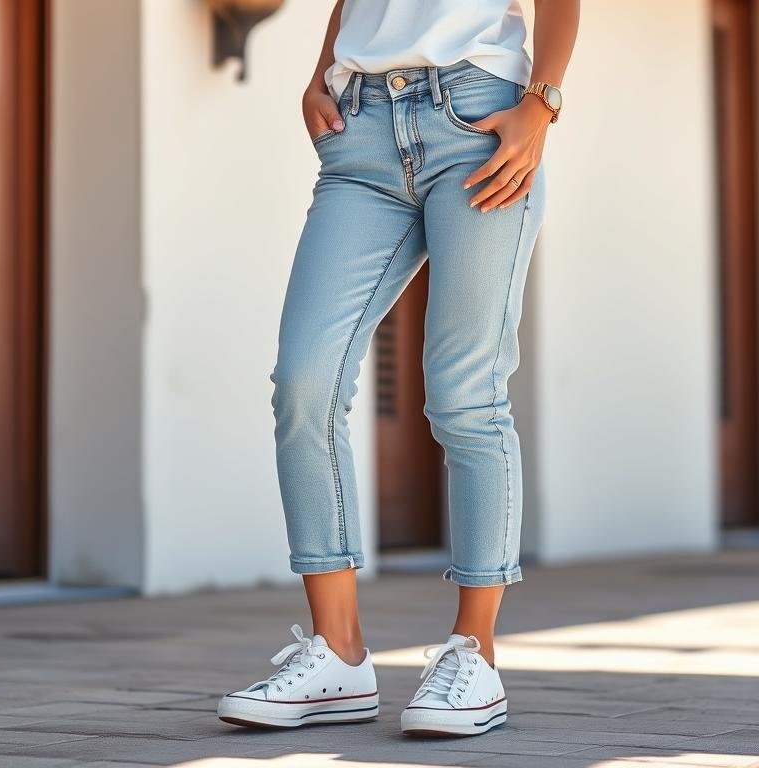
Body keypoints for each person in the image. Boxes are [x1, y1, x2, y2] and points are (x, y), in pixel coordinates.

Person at [217, 0, 579, 737]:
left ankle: (475, 655)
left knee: (466, 395)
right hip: (362, 132)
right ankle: (339, 655)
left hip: (479, 120)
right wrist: (322, 71)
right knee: (304, 383)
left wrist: (542, 101)